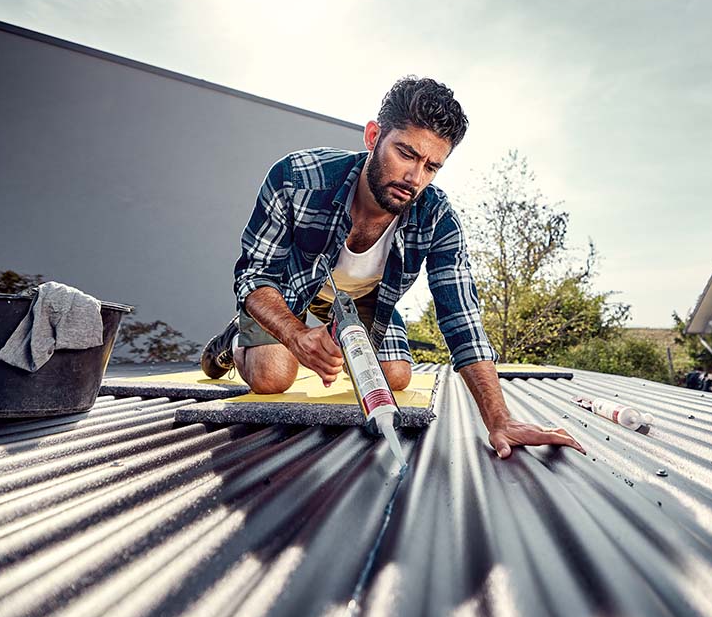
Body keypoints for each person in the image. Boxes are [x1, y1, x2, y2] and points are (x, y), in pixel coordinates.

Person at [201, 76, 585, 460]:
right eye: (406, 153)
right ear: (373, 137)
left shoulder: (437, 217)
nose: (414, 178)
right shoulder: (298, 178)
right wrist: (296, 335)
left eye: (431, 166)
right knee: (272, 378)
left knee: (397, 375)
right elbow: (255, 275)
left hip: (361, 299)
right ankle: (234, 340)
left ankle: (330, 332)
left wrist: (499, 420)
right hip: (288, 291)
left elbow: (461, 318)